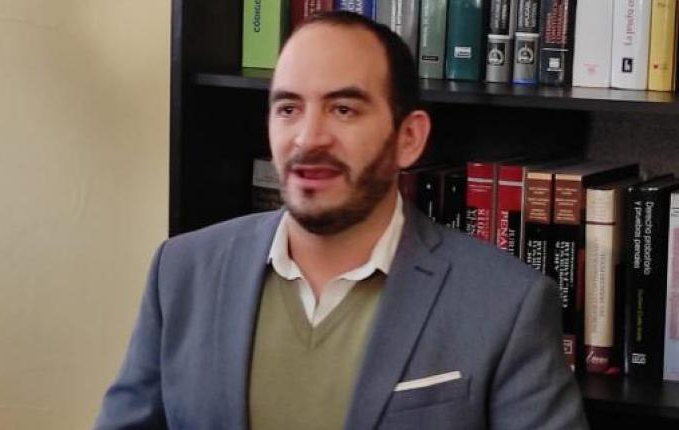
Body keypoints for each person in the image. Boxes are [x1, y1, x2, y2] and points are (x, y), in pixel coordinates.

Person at [95, 11, 588, 430]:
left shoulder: (505, 303)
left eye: (344, 109)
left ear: (409, 139)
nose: (309, 138)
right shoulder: (181, 271)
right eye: (288, 108)